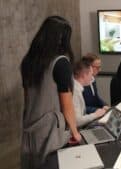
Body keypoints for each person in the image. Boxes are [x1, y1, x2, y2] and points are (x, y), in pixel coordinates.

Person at [20, 16, 81, 169]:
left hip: (31, 125)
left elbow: (27, 98)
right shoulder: (60, 62)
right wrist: (75, 132)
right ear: (62, 38)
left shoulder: (29, 61)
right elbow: (66, 104)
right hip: (51, 129)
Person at [73, 59, 106, 128]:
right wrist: (95, 114)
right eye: (91, 74)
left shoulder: (77, 88)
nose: (92, 78)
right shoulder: (75, 92)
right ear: (84, 75)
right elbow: (77, 121)